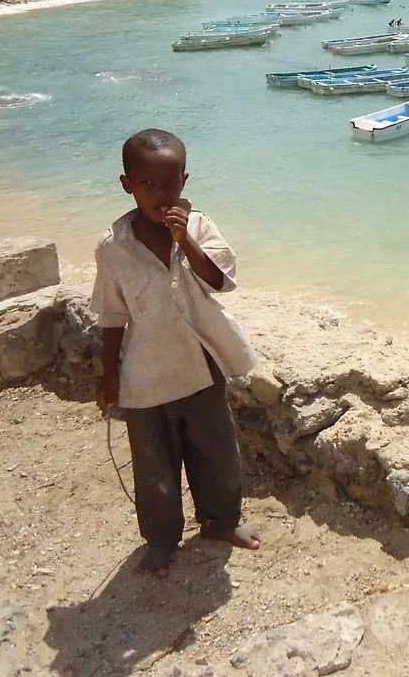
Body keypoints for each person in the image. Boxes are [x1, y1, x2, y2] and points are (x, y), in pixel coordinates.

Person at [93, 129, 262, 577]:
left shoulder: (200, 227)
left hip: (199, 362)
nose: (160, 194)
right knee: (154, 465)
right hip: (145, 373)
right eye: (148, 184)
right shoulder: (114, 248)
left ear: (184, 181)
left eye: (170, 184)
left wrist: (185, 240)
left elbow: (220, 280)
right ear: (127, 184)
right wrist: (108, 376)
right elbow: (112, 316)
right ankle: (162, 540)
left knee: (216, 450)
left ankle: (221, 521)